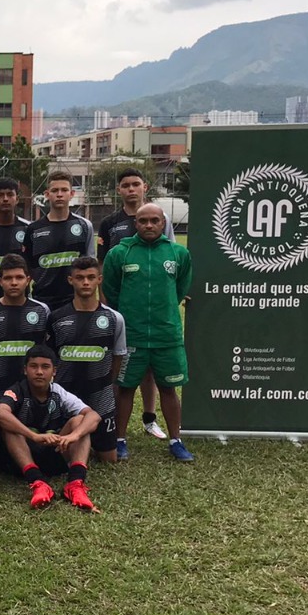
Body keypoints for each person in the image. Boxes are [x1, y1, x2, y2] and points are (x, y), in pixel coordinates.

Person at [102, 201, 195, 463]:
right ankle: (119, 440)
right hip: (132, 335)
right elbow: (111, 290)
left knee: (169, 388)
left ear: (163, 223)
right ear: (136, 224)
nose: (149, 225)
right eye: (143, 221)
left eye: (155, 220)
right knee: (125, 388)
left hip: (167, 335)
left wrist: (164, 310)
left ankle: (176, 441)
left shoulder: (178, 253)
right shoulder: (120, 253)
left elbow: (180, 288)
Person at [97, 167, 177, 443]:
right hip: (121, 306)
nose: (131, 189)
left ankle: (149, 418)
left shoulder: (160, 217)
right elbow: (103, 266)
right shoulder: (110, 223)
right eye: (126, 185)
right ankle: (114, 425)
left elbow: (171, 259)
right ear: (119, 190)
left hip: (153, 310)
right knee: (121, 362)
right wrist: (106, 304)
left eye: (136, 184)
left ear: (145, 187)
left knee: (150, 367)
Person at [0, 344, 100, 511]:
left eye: (45, 367)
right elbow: (1, 413)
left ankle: (75, 484)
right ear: (25, 370)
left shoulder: (59, 392)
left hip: (55, 452)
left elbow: (94, 416)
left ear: (54, 371)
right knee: (9, 426)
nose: (39, 372)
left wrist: (73, 436)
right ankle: (37, 483)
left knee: (80, 421)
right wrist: (34, 436)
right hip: (25, 456)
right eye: (34, 366)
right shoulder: (17, 390)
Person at [46, 257, 125, 464]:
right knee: (59, 456)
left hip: (100, 397)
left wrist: (108, 384)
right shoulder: (56, 318)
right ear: (70, 280)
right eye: (80, 278)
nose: (86, 282)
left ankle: (90, 440)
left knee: (109, 459)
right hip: (67, 396)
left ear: (99, 279)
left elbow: (118, 356)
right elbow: (49, 358)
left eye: (91, 277)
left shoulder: (114, 318)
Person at [0, 254, 49, 397]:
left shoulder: (41, 311)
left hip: (30, 392)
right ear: (0, 281)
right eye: (8, 278)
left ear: (28, 280)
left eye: (19, 277)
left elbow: (47, 350)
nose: (14, 282)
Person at [24, 171, 95, 310]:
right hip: (43, 300)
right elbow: (28, 268)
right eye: (55, 190)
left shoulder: (84, 226)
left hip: (74, 300)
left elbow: (90, 265)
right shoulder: (34, 229)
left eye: (64, 190)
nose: (59, 194)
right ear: (47, 194)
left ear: (72, 194)